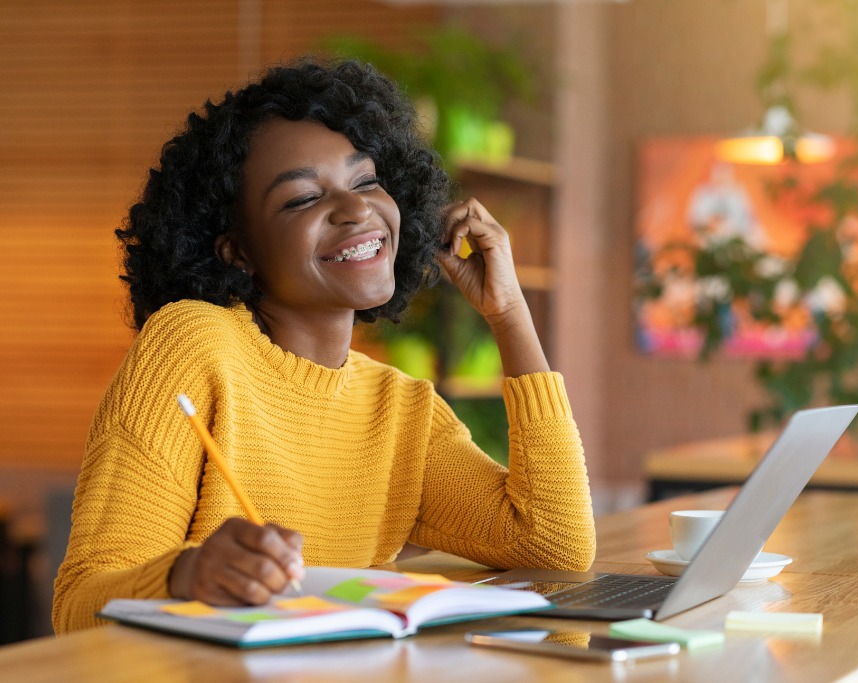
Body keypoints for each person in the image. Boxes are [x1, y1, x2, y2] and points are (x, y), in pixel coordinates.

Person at [53, 58, 596, 634]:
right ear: (237, 250)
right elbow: (80, 605)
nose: (357, 208)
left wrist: (508, 313)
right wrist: (185, 577)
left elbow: (552, 545)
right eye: (302, 199)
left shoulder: (399, 407)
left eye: (365, 181)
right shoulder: (194, 343)